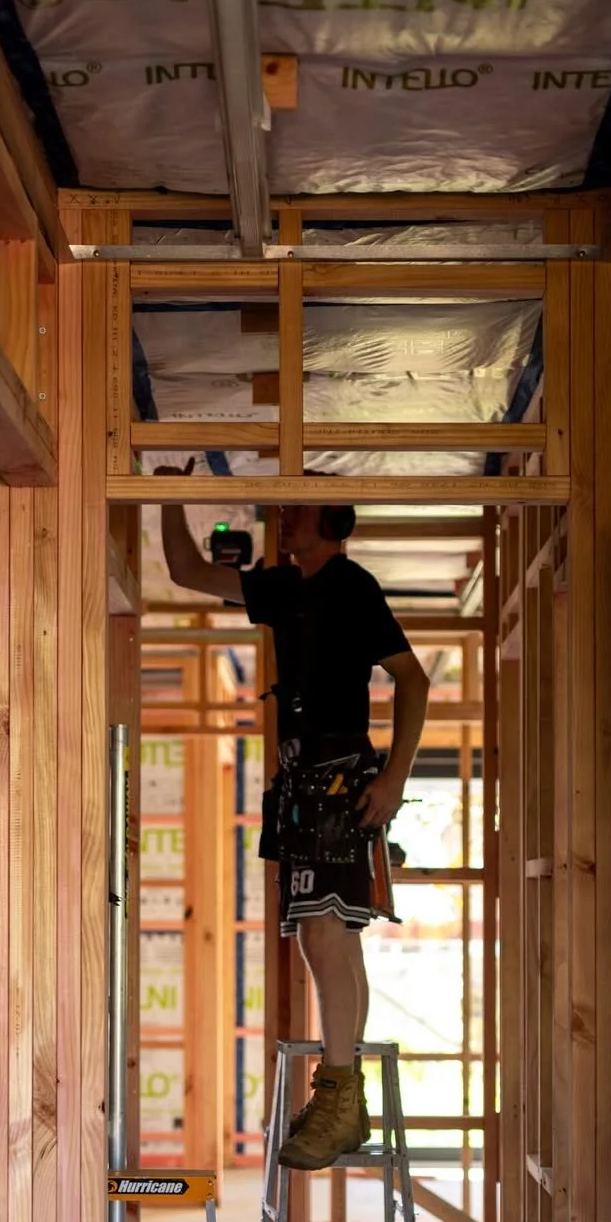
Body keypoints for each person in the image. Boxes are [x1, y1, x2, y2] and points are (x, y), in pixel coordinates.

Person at [159, 485, 430, 1170]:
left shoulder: (354, 586)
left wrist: (394, 777)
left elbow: (413, 680)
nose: (284, 516)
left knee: (323, 931)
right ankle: (348, 1093)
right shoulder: (281, 588)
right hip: (304, 785)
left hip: (341, 779)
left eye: (297, 509)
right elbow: (188, 573)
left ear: (332, 521)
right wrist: (166, 496)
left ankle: (339, 1093)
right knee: (333, 939)